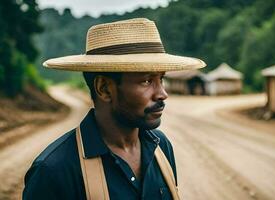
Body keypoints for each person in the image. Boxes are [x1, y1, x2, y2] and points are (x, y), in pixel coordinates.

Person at [22, 18, 205, 200]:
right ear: (104, 88)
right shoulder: (54, 171)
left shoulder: (161, 147)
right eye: (147, 81)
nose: (162, 94)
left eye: (161, 79)